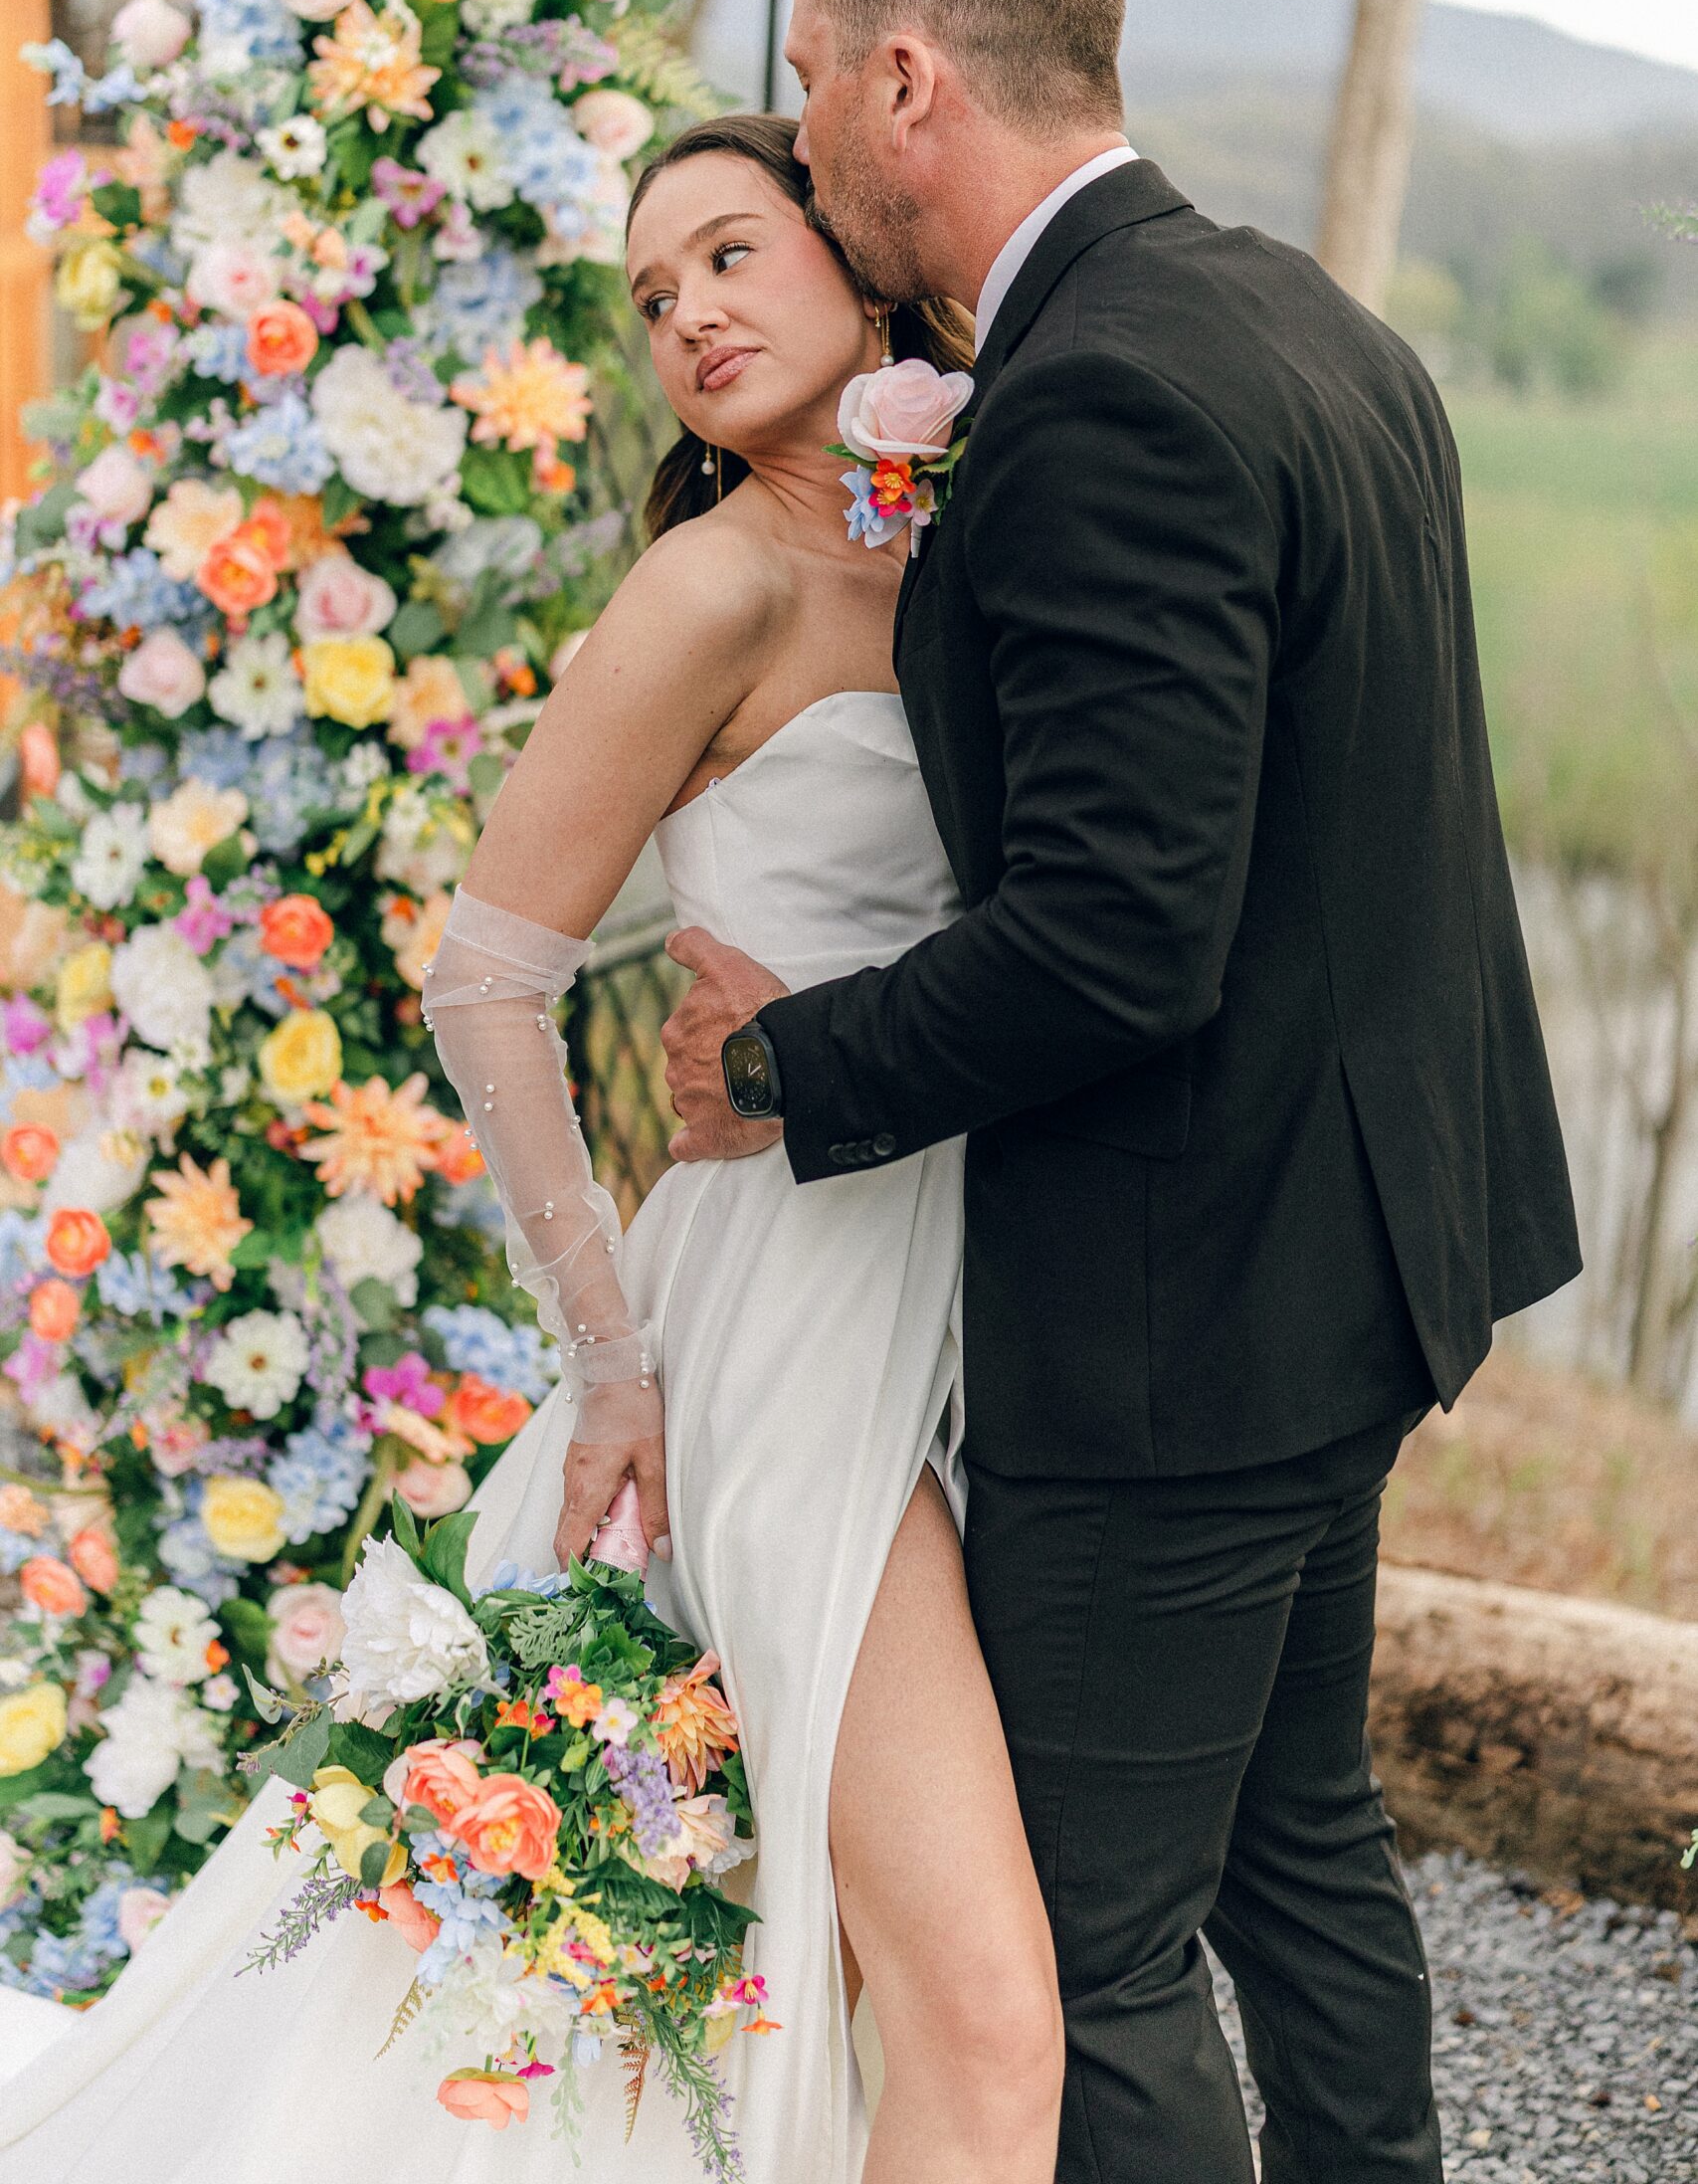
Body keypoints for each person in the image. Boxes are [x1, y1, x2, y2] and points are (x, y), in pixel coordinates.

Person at [0, 112, 1064, 2184]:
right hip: (791, 1323)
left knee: (852, 1982)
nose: (688, 316)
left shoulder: (975, 542)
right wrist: (609, 1357)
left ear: (861, 268)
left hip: (979, 1281)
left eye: (731, 254)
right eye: (653, 296)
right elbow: (485, 978)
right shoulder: (712, 582)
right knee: (977, 2007)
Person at [659, 0, 1584, 2184]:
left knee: (1078, 1962)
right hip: (1357, 1262)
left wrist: (780, 1064)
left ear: (907, 79)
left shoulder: (1095, 403)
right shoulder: (1303, 319)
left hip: (1177, 1312)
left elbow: (1113, 935)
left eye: (810, 84)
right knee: (1297, 1845)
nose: (802, 141)